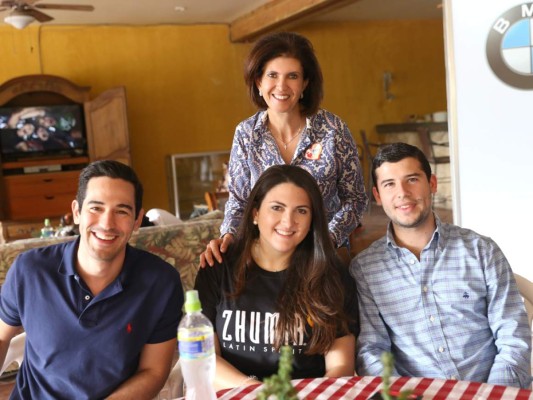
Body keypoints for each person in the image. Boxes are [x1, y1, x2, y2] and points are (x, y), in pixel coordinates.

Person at [350, 142, 531, 388]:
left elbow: (513, 337)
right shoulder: (365, 268)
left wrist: (492, 394)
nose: (402, 192)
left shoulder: (481, 250)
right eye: (389, 184)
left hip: (491, 390)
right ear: (378, 197)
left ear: (432, 184)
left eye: (412, 179)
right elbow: (373, 350)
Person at [0, 160, 184, 399]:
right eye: (96, 208)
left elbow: (154, 371)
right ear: (77, 212)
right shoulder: (30, 270)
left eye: (121, 211)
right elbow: (2, 336)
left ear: (137, 221)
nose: (107, 224)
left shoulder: (161, 282)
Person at [200, 31, 367, 267]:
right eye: (272, 75)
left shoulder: (333, 129)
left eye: (292, 76)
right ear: (259, 82)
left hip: (323, 259)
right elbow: (239, 201)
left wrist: (326, 241)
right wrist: (228, 236)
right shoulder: (246, 133)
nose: (281, 86)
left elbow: (356, 199)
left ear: (305, 83)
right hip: (266, 258)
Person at [195, 165, 359, 390]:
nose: (288, 221)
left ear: (313, 218)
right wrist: (261, 393)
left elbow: (340, 367)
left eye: (301, 210)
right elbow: (203, 360)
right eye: (277, 208)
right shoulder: (217, 267)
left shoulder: (331, 274)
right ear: (255, 213)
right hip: (238, 394)